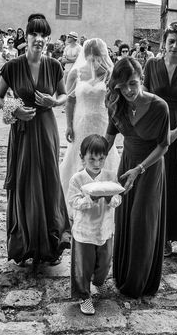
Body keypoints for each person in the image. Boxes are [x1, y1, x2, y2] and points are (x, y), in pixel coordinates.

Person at [0, 13, 71, 266]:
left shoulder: (54, 65)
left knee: (49, 180)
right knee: (25, 181)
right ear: (25, 37)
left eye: (43, 35)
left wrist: (53, 101)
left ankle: (51, 244)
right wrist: (13, 110)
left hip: (47, 128)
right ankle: (24, 243)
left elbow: (63, 96)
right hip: (23, 132)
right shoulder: (13, 66)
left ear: (47, 39)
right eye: (34, 34)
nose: (38, 39)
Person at [105, 58, 170, 297]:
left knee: (142, 222)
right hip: (127, 166)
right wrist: (91, 166)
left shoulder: (159, 106)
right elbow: (109, 138)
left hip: (149, 168)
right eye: (122, 86)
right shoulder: (116, 104)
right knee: (124, 220)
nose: (129, 91)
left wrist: (140, 169)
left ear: (141, 79)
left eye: (133, 83)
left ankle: (139, 282)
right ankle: (122, 275)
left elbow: (164, 146)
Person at [144, 22, 177, 255]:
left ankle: (174, 233)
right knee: (155, 180)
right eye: (171, 41)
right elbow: (143, 96)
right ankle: (156, 234)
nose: (175, 46)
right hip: (155, 126)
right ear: (164, 42)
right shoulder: (151, 64)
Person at [59, 38, 120, 215]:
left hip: (102, 123)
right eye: (91, 58)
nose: (95, 61)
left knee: (104, 157)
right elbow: (70, 101)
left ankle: (105, 201)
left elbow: (116, 100)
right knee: (78, 158)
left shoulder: (110, 74)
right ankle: (75, 203)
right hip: (81, 124)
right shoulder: (76, 73)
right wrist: (69, 125)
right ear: (85, 56)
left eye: (98, 57)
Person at [67, 135, 122, 316]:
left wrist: (110, 198)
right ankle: (84, 295)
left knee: (104, 264)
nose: (97, 163)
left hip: (105, 230)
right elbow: (73, 202)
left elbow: (118, 198)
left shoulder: (109, 176)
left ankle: (98, 281)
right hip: (84, 232)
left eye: (101, 159)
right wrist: (90, 199)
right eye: (92, 159)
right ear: (82, 158)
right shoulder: (77, 179)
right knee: (84, 266)